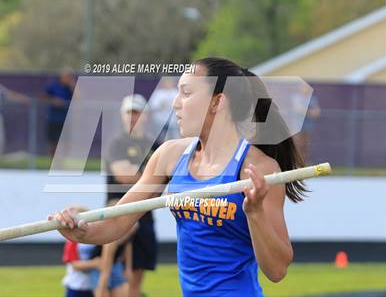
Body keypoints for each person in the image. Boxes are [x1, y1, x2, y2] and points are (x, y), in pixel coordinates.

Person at [49, 57, 307, 297]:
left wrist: (255, 213)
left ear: (217, 102)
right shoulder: (170, 155)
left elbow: (277, 270)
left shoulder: (259, 169)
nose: (175, 103)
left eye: (186, 93)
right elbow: (116, 223)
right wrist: (76, 229)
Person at [104, 94, 159, 297]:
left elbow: (163, 179)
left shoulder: (155, 144)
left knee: (136, 280)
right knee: (111, 279)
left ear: (145, 115)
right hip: (118, 213)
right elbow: (125, 176)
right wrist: (151, 175)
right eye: (128, 112)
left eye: (136, 112)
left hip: (144, 215)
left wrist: (148, 177)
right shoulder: (116, 143)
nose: (131, 117)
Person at [44, 69, 76, 157]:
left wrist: (73, 86)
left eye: (70, 77)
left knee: (66, 142)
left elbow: (79, 99)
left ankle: (63, 161)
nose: (68, 78)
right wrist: (53, 100)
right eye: (67, 76)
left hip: (66, 120)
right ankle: (53, 161)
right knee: (52, 142)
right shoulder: (53, 86)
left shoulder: (70, 88)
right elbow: (43, 97)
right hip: (53, 119)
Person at [292, 85, 321, 164]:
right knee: (297, 146)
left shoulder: (312, 99)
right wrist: (310, 112)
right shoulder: (296, 98)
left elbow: (317, 113)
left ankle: (304, 163)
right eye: (303, 87)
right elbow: (298, 110)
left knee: (306, 146)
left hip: (308, 127)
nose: (305, 89)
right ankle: (296, 163)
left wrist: (305, 111)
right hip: (297, 127)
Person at [149, 77, 180, 141]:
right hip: (160, 122)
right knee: (162, 140)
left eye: (170, 82)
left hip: (174, 122)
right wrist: (161, 105)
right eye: (167, 82)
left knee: (176, 139)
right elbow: (151, 106)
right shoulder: (158, 93)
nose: (169, 83)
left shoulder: (176, 92)